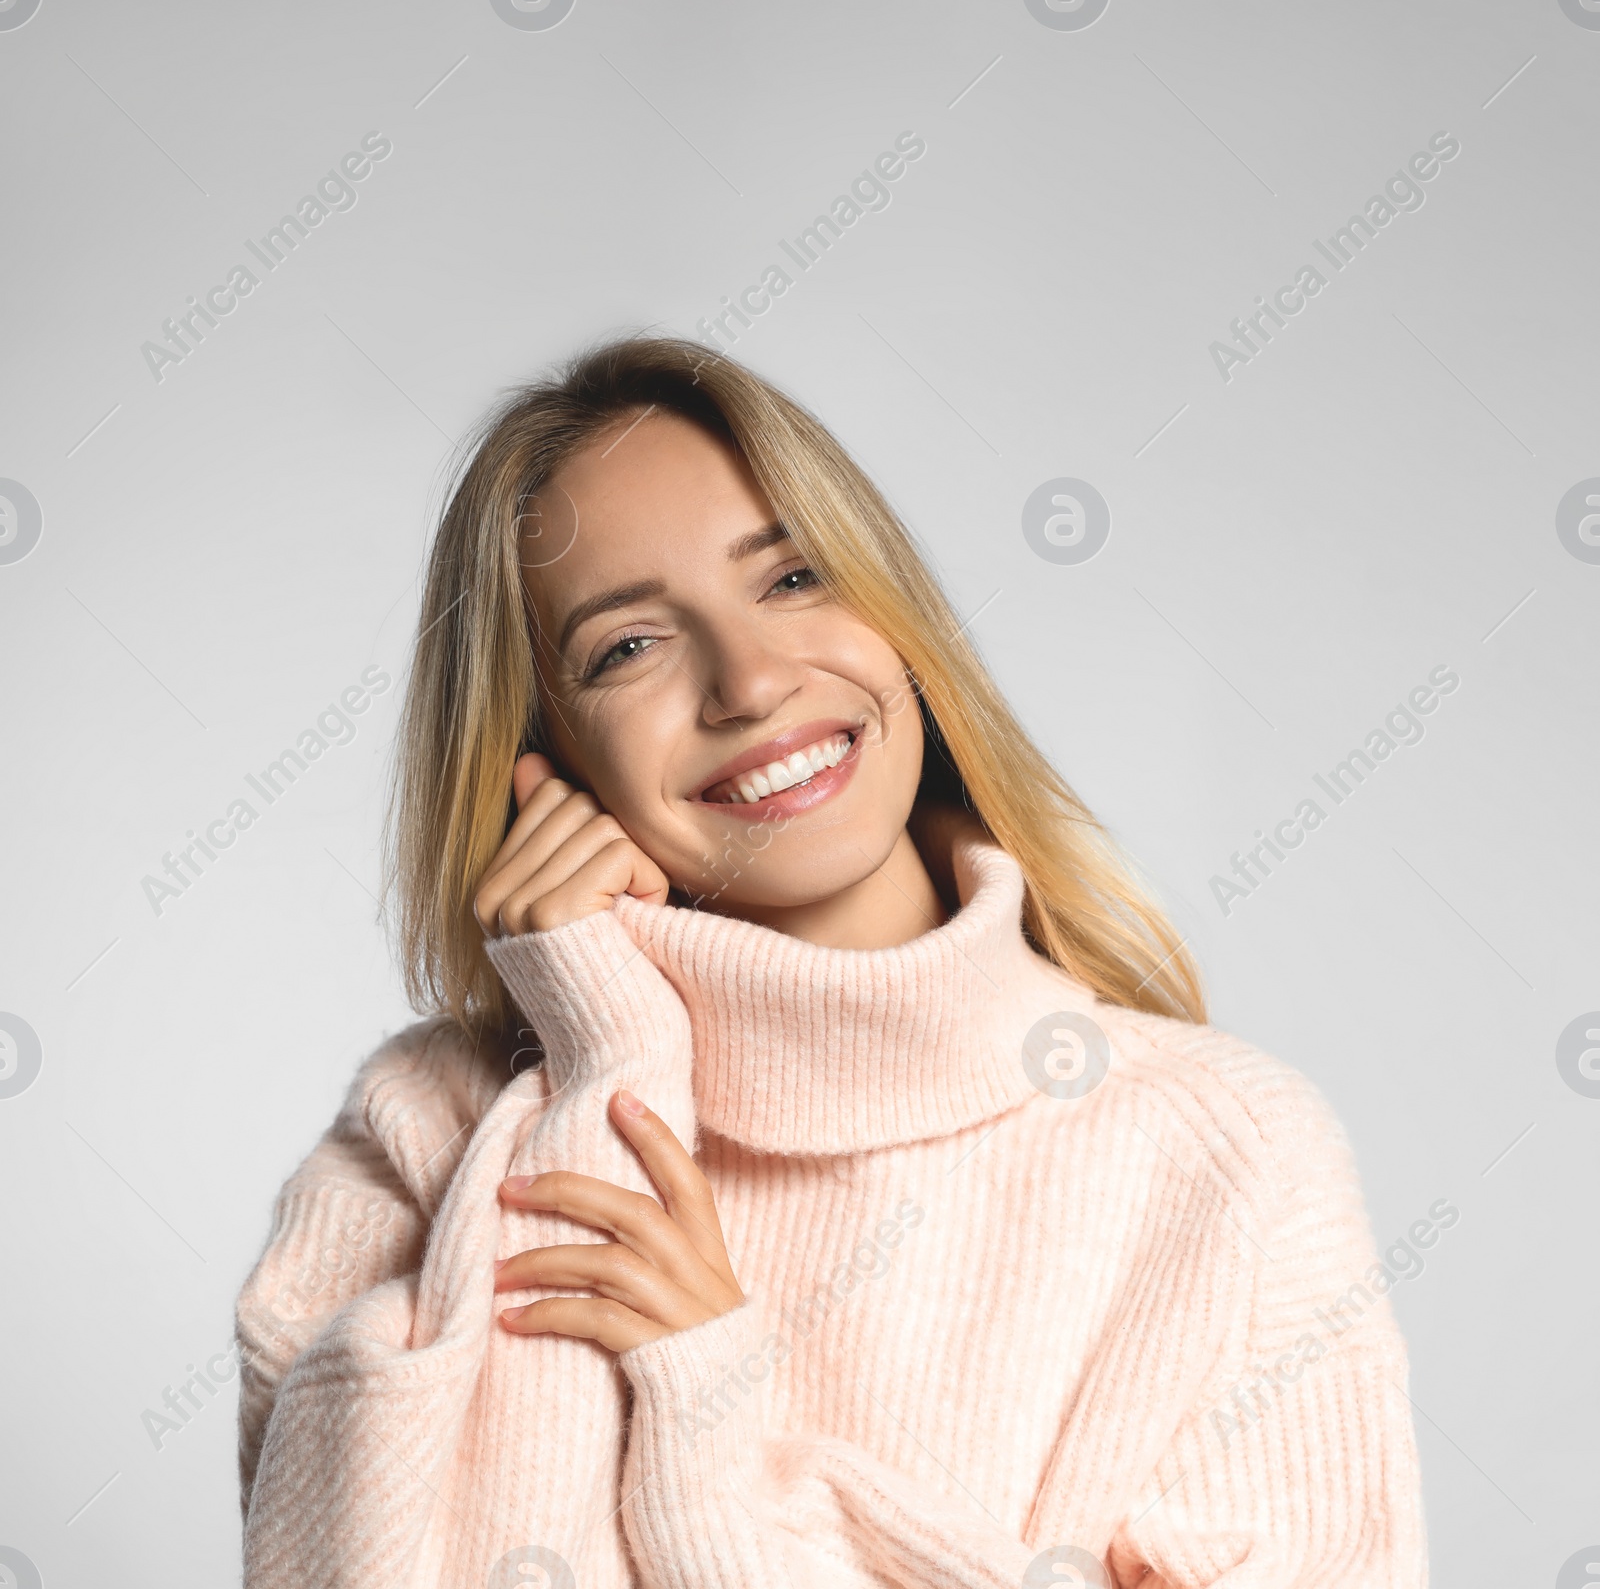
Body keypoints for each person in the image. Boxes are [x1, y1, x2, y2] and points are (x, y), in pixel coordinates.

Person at [234, 337, 1427, 1587]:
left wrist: (709, 1424)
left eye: (794, 576)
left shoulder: (1227, 1158)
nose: (749, 679)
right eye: (627, 647)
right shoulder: (430, 1127)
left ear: (895, 613)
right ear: (544, 755)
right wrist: (602, 1071)